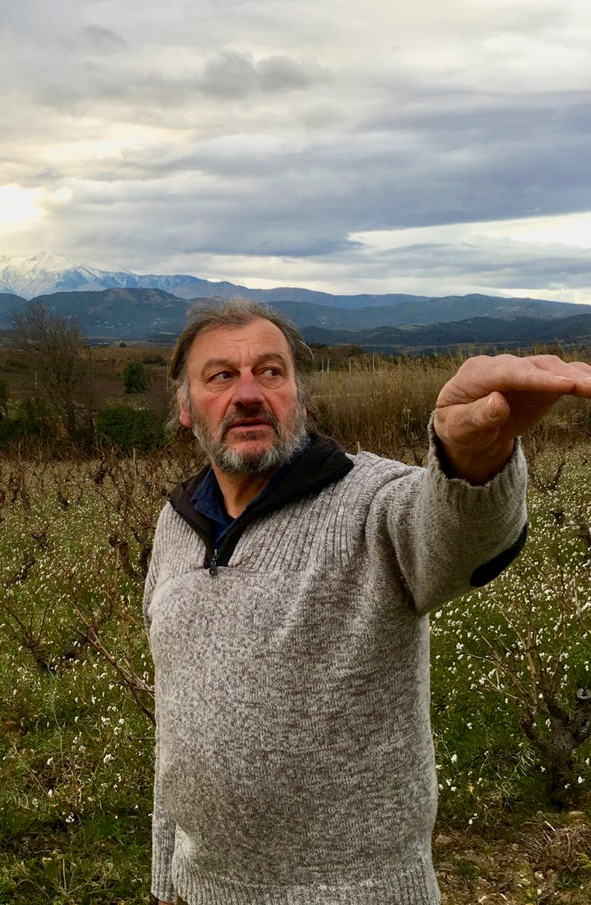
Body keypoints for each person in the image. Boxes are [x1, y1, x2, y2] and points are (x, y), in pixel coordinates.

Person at [144, 299, 591, 905]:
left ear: (299, 394)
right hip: (201, 889)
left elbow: (452, 535)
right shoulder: (176, 526)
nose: (248, 393)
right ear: (184, 405)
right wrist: (167, 878)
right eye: (220, 375)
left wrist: (471, 458)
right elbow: (177, 730)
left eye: (271, 372)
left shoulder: (368, 502)